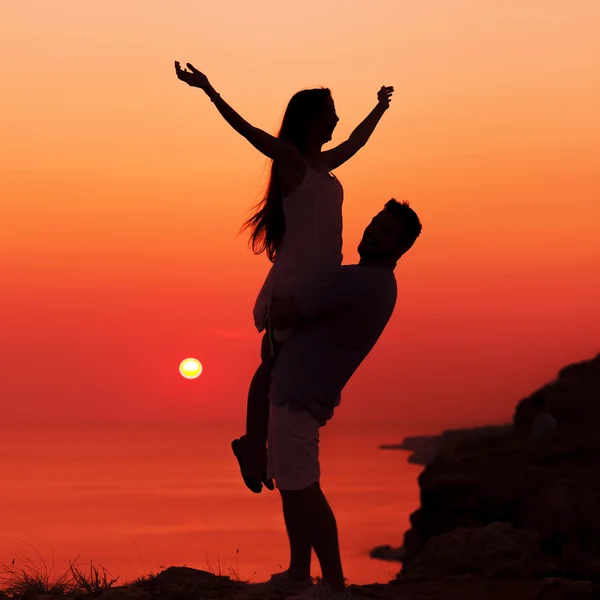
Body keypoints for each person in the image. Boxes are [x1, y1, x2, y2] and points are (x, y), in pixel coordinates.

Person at [174, 61, 394, 492]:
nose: (336, 118)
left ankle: (260, 446)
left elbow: (356, 141)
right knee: (274, 364)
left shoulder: (322, 164)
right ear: (311, 118)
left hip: (322, 284)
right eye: (330, 111)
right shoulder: (291, 162)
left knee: (287, 367)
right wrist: (210, 91)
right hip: (296, 283)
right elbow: (250, 133)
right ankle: (255, 446)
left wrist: (380, 109)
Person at [250, 199, 422, 600]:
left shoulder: (359, 281)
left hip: (299, 391)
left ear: (401, 248)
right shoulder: (375, 282)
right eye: (375, 222)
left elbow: (286, 311)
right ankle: (297, 572)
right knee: (294, 485)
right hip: (299, 389)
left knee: (304, 487)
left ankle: (333, 586)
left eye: (386, 231)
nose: (373, 231)